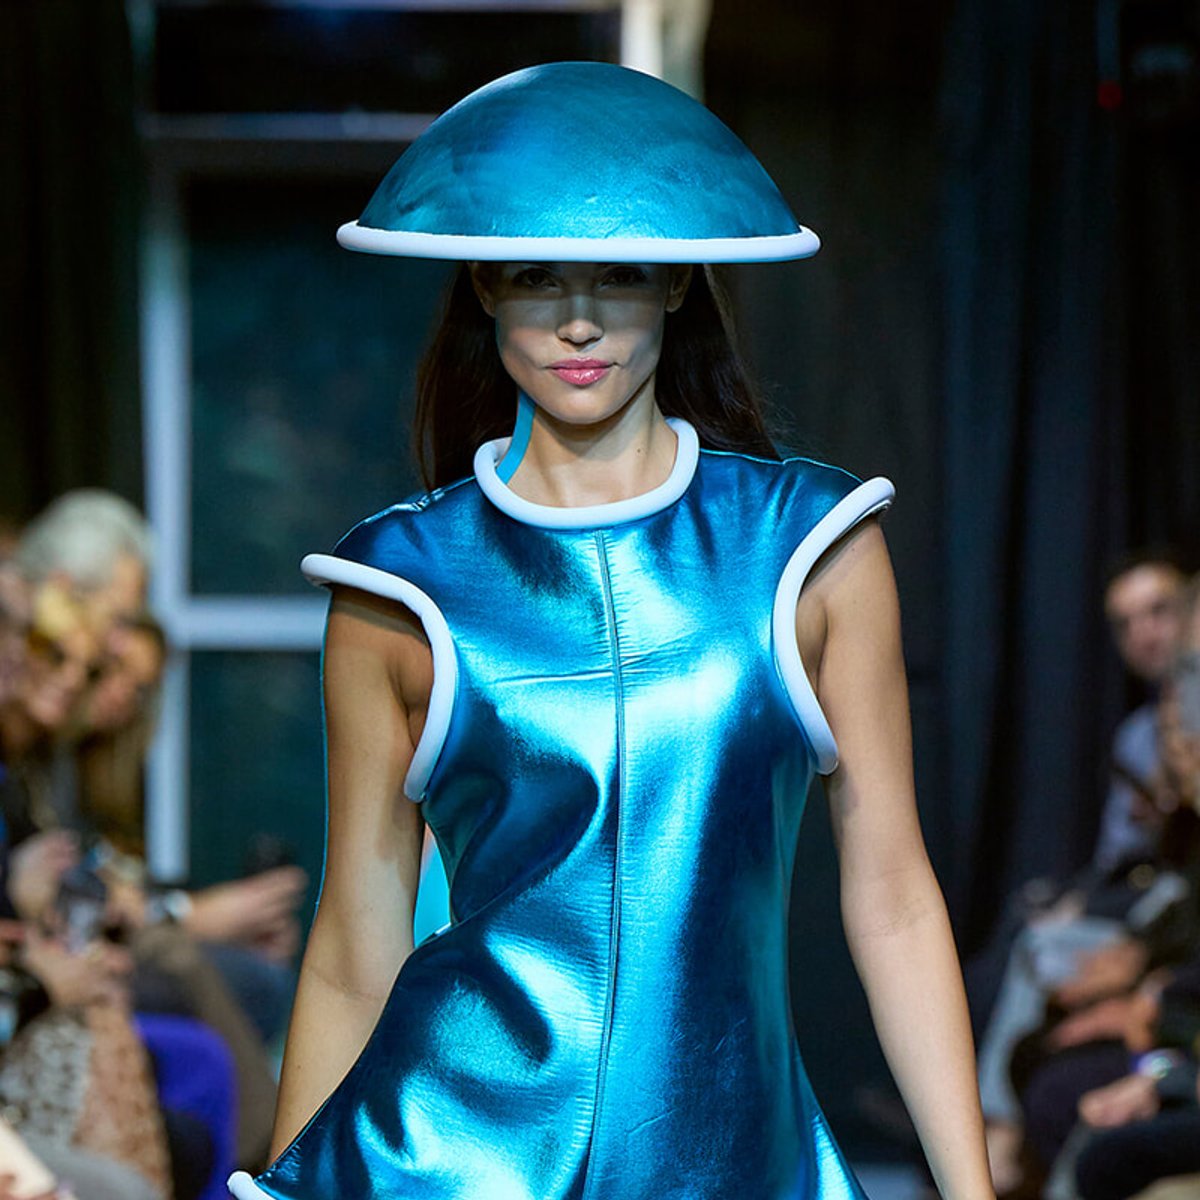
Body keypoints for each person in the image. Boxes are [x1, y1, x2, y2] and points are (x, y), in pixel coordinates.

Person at [228, 62, 993, 1200]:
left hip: (730, 1154)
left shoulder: (809, 547)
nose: (578, 317)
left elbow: (890, 889)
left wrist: (970, 1190)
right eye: (536, 276)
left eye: (620, 273)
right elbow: (356, 935)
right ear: (481, 282)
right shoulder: (398, 586)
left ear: (680, 283)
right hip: (444, 1159)